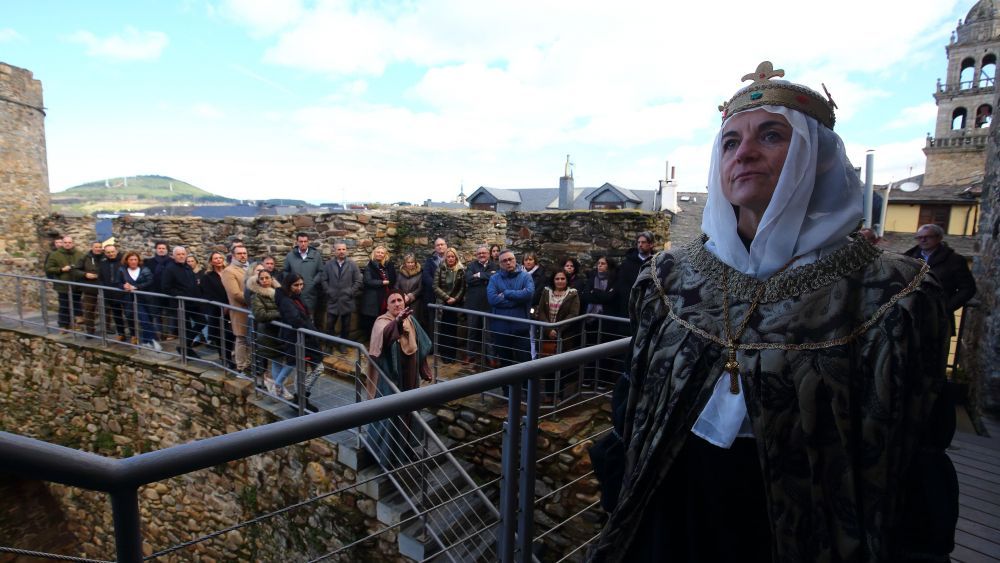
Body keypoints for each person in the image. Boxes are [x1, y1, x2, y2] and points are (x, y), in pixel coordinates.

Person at [590, 62, 957, 562]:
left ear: (817, 158)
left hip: (808, 529)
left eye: (771, 135)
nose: (745, 153)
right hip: (677, 508)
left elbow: (915, 452)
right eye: (730, 142)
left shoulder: (893, 292)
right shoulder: (668, 278)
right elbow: (633, 401)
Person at [365, 290, 433, 467]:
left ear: (404, 303)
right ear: (387, 306)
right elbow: (385, 336)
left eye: (400, 301)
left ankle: (405, 447)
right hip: (391, 379)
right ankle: (385, 455)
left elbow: (422, 343)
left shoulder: (410, 319)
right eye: (393, 301)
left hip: (409, 376)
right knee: (390, 414)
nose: (397, 304)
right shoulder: (382, 322)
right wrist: (397, 322)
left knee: (409, 412)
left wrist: (423, 367)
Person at [904, 223, 977, 318]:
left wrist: (946, 307)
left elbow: (968, 288)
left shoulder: (954, 260)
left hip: (938, 317)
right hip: (909, 314)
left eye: (928, 237)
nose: (923, 240)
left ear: (939, 238)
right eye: (919, 237)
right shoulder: (907, 258)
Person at [276, 273, 325, 400]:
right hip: (298, 339)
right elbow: (295, 320)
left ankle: (300, 398)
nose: (299, 287)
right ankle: (300, 397)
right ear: (288, 285)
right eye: (295, 285)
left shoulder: (295, 297)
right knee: (316, 368)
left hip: (302, 338)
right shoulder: (286, 300)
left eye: (301, 284)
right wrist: (312, 332)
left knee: (302, 369)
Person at [486, 249, 534, 370]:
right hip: (501, 328)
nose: (508, 262)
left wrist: (506, 293)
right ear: (500, 263)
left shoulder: (525, 277)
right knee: (505, 365)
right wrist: (517, 299)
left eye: (510, 259)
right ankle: (507, 389)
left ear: (515, 260)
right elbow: (492, 299)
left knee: (525, 364)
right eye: (504, 261)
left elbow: (528, 294)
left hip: (521, 327)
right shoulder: (494, 279)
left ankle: (525, 389)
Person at [248, 269, 288, 398]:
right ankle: (278, 387)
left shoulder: (279, 292)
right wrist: (280, 314)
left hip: (282, 333)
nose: (265, 281)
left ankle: (278, 388)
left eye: (267, 278)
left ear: (272, 279)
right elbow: (260, 315)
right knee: (278, 360)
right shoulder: (256, 296)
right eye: (262, 278)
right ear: (258, 281)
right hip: (268, 333)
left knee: (280, 361)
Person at [159, 247, 203, 358]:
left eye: (183, 254)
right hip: (181, 304)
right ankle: (186, 350)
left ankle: (184, 346)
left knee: (202, 321)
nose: (181, 256)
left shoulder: (187, 267)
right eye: (178, 254)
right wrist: (182, 295)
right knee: (186, 327)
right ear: (173, 256)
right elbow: (166, 288)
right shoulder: (170, 269)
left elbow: (192, 283)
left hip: (193, 302)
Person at [320, 242, 363, 350]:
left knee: (346, 325)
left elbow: (358, 281)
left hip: (346, 300)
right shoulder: (328, 264)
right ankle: (329, 346)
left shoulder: (352, 264)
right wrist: (329, 291)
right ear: (335, 251)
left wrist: (350, 292)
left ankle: (343, 344)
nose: (341, 252)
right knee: (329, 325)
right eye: (339, 249)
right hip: (332, 300)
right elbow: (323, 280)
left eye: (343, 249)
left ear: (346, 250)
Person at [283, 233, 325, 329]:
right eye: (301, 241)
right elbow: (285, 271)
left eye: (305, 241)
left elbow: (321, 271)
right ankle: (297, 341)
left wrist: (313, 282)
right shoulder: (290, 256)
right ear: (297, 242)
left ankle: (310, 340)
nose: (303, 244)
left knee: (310, 317)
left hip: (310, 293)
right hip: (294, 294)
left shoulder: (316, 255)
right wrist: (290, 284)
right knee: (296, 318)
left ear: (308, 242)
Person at [119, 251, 159, 351]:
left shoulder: (145, 269)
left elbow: (150, 281)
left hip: (144, 298)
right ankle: (149, 340)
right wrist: (123, 286)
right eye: (131, 259)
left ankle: (150, 341)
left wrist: (136, 287)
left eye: (135, 259)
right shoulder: (122, 270)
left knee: (146, 319)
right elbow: (117, 282)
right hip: (129, 299)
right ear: (127, 261)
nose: (133, 261)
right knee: (136, 318)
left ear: (138, 260)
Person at [464, 245, 497, 364]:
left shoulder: (494, 265)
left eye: (484, 253)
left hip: (489, 304)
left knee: (489, 333)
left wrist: (478, 275)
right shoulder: (471, 265)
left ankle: (491, 357)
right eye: (479, 253)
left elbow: (494, 277)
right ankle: (470, 354)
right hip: (473, 304)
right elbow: (468, 279)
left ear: (488, 254)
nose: (482, 255)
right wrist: (485, 277)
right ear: (476, 255)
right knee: (472, 331)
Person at [222, 245, 252, 373]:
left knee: (251, 338)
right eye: (239, 253)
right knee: (241, 338)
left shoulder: (250, 268)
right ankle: (241, 366)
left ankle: (250, 363)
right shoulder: (229, 271)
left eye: (244, 253)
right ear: (233, 256)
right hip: (240, 309)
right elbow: (235, 293)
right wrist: (254, 300)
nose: (243, 255)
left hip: (252, 309)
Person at [433, 247, 466, 363]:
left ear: (456, 257)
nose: (451, 258)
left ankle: (452, 356)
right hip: (443, 303)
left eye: (453, 256)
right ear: (445, 258)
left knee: (453, 330)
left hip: (455, 305)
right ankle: (445, 355)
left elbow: (463, 287)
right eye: (448, 256)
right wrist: (447, 298)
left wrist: (455, 299)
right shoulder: (440, 269)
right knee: (444, 330)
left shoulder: (461, 270)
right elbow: (435, 287)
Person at [200, 251, 233, 365]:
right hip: (217, 310)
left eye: (220, 258)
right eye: (215, 258)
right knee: (220, 336)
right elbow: (208, 294)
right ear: (211, 261)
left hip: (232, 307)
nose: (218, 260)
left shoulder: (229, 273)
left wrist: (230, 304)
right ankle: (225, 359)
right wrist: (222, 306)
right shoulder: (207, 277)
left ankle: (230, 358)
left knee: (231, 335)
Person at [360, 245, 397, 340]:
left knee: (385, 318)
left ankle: (382, 339)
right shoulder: (370, 266)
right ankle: (372, 341)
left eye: (382, 253)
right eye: (378, 252)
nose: (380, 254)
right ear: (374, 253)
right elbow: (367, 281)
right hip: (373, 298)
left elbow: (393, 279)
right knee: (372, 320)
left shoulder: (388, 266)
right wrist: (382, 282)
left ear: (385, 255)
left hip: (385, 296)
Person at [44, 236, 82, 330]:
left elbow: (84, 266)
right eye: (65, 242)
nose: (68, 244)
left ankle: (76, 325)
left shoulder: (80, 254)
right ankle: (63, 325)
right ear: (63, 243)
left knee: (76, 304)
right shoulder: (55, 255)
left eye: (69, 242)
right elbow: (48, 268)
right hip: (62, 285)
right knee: (64, 305)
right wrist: (61, 269)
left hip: (76, 284)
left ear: (73, 243)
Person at [615, 232, 654, 316]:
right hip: (629, 306)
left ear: (651, 244)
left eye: (643, 242)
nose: (640, 245)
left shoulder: (656, 263)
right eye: (638, 242)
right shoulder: (627, 264)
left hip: (649, 306)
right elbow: (622, 285)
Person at [98, 244, 128, 341]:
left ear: (116, 251)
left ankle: (133, 335)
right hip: (110, 293)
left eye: (112, 252)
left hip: (124, 293)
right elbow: (101, 277)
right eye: (108, 252)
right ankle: (121, 333)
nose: (111, 254)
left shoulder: (124, 262)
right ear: (105, 253)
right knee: (117, 314)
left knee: (129, 314)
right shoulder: (103, 263)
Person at [73, 241, 104, 334]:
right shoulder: (85, 257)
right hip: (90, 288)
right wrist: (85, 274)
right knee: (89, 309)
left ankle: (107, 328)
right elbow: (75, 270)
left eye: (100, 247)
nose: (98, 249)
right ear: (92, 248)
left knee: (106, 309)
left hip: (104, 287)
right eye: (96, 247)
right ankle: (90, 330)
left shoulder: (105, 257)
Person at [420, 237, 448, 327]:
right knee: (433, 325)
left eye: (442, 244)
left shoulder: (451, 259)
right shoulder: (430, 261)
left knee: (447, 325)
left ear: (446, 246)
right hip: (433, 297)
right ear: (435, 248)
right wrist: (437, 287)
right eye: (437, 245)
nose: (440, 247)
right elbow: (426, 276)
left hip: (448, 297)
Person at [393, 253, 424, 333]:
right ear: (405, 263)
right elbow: (396, 286)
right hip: (402, 302)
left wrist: (410, 296)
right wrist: (402, 296)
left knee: (414, 324)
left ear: (415, 263)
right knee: (402, 324)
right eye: (408, 262)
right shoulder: (400, 273)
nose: (410, 264)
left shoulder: (420, 273)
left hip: (416, 304)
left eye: (412, 262)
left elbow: (421, 288)